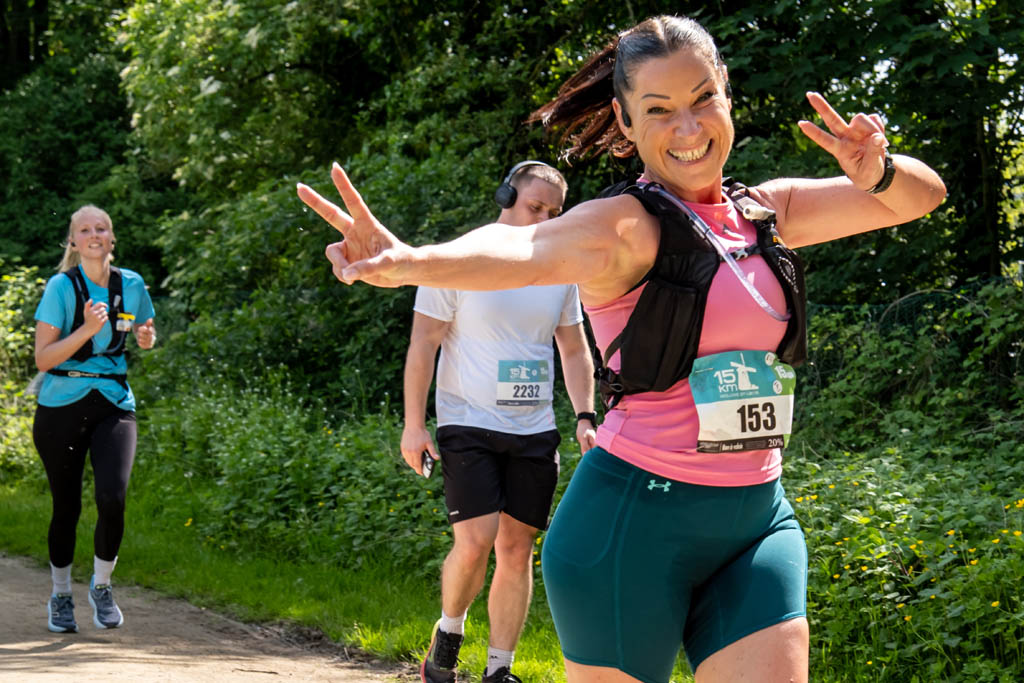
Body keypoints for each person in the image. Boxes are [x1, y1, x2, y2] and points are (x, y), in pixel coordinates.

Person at [297, 14, 945, 683]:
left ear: (726, 91)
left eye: (702, 98)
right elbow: (524, 248)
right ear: (626, 121)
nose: (688, 128)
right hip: (629, 529)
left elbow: (919, 197)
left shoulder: (765, 212)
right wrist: (410, 261)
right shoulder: (624, 227)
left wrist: (879, 171)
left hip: (756, 525)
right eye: (658, 109)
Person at [401, 161, 597, 683]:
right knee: (476, 541)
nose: (544, 220)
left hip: (533, 430)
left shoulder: (559, 270)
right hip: (467, 423)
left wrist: (584, 414)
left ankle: (498, 670)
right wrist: (414, 425)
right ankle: (448, 633)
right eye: (535, 207)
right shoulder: (460, 259)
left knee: (517, 548)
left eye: (554, 212)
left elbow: (573, 348)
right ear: (506, 197)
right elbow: (423, 343)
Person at [33, 205, 156, 633]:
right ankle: (60, 595)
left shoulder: (131, 283)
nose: (93, 235)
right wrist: (86, 329)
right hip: (61, 403)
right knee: (66, 506)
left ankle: (101, 586)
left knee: (113, 497)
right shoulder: (61, 287)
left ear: (111, 237)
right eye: (84, 230)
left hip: (114, 401)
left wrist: (146, 337)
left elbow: (144, 327)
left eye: (101, 228)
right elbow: (43, 359)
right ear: (73, 241)